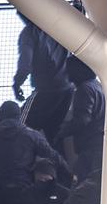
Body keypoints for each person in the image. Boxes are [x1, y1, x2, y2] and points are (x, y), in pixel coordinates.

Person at [14, 10, 75, 148]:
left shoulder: (29, 33)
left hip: (46, 89)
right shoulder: (59, 30)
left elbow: (25, 64)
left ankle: (21, 166)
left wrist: (17, 83)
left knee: (19, 127)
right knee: (53, 133)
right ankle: (62, 168)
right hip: (67, 89)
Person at [56, 57, 105, 180]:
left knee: (83, 184)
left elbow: (82, 120)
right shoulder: (99, 86)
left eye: (69, 70)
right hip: (100, 144)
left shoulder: (84, 89)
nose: (67, 75)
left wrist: (61, 133)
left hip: (90, 147)